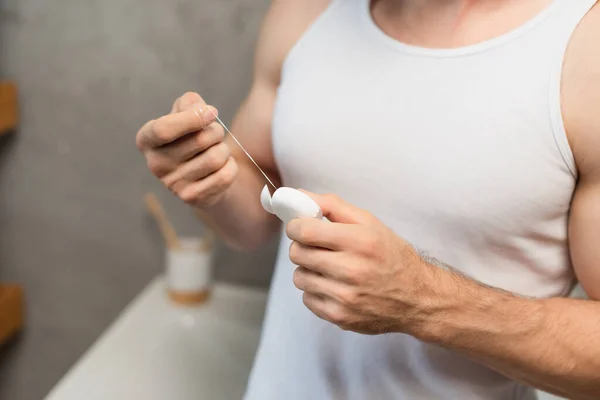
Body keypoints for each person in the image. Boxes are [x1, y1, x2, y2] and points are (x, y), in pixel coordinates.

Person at [136, 0, 600, 398]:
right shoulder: (307, 11)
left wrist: (421, 300)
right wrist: (208, 181)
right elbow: (249, 225)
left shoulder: (583, 48)